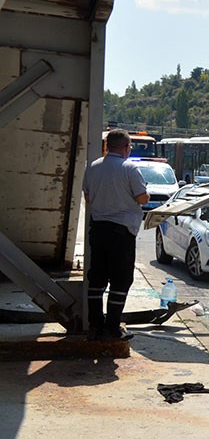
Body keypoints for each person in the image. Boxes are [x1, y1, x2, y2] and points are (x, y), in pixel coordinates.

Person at [82, 130, 150, 339]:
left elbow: (88, 197)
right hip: (121, 233)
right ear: (126, 147)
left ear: (107, 146)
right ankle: (112, 327)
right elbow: (142, 199)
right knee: (120, 281)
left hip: (98, 229)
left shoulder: (92, 167)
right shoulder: (129, 168)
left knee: (97, 280)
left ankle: (95, 326)